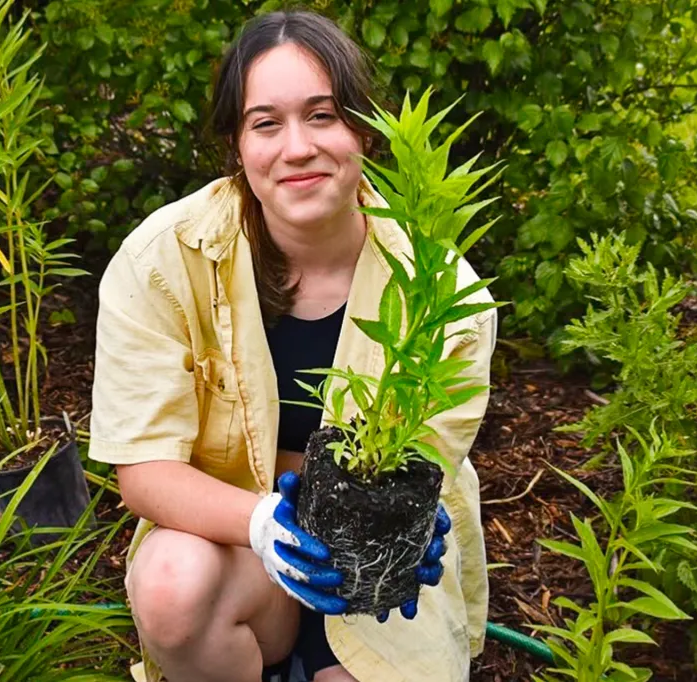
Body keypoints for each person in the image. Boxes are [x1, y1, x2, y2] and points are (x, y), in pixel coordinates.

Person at [88, 9, 497, 682]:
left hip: (374, 578)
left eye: (322, 115)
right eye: (266, 123)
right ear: (237, 144)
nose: (297, 147)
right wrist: (261, 526)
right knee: (170, 584)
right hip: (238, 550)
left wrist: (409, 521)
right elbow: (143, 469)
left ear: (364, 129)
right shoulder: (163, 260)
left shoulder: (444, 293)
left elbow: (425, 459)